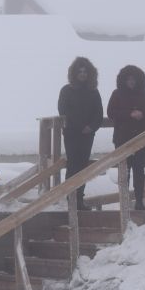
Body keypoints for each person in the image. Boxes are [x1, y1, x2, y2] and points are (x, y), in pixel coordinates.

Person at [106, 64, 145, 210]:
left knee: (139, 170)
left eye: (133, 79)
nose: (131, 82)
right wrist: (129, 114)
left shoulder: (144, 94)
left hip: (141, 138)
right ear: (123, 80)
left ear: (138, 80)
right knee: (124, 171)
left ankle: (139, 202)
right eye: (128, 79)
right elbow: (110, 112)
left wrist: (143, 114)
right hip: (122, 138)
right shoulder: (117, 94)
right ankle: (124, 202)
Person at [57, 57, 104, 211]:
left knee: (83, 166)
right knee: (72, 165)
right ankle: (71, 198)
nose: (82, 74)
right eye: (80, 71)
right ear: (74, 73)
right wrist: (78, 126)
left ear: (90, 73)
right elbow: (63, 111)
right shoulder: (66, 90)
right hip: (71, 134)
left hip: (87, 135)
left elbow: (99, 113)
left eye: (85, 71)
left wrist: (91, 127)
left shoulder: (93, 92)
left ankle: (79, 199)